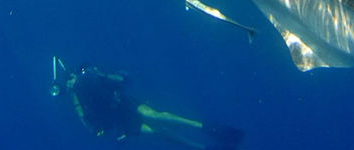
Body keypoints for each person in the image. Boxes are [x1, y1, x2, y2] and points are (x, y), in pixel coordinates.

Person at [51, 57, 244, 149]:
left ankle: (207, 128)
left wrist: (94, 75)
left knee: (156, 116)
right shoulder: (75, 94)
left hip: (123, 104)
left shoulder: (93, 77)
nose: (73, 81)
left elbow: (116, 81)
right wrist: (96, 128)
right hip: (118, 120)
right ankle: (201, 147)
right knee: (160, 132)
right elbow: (84, 117)